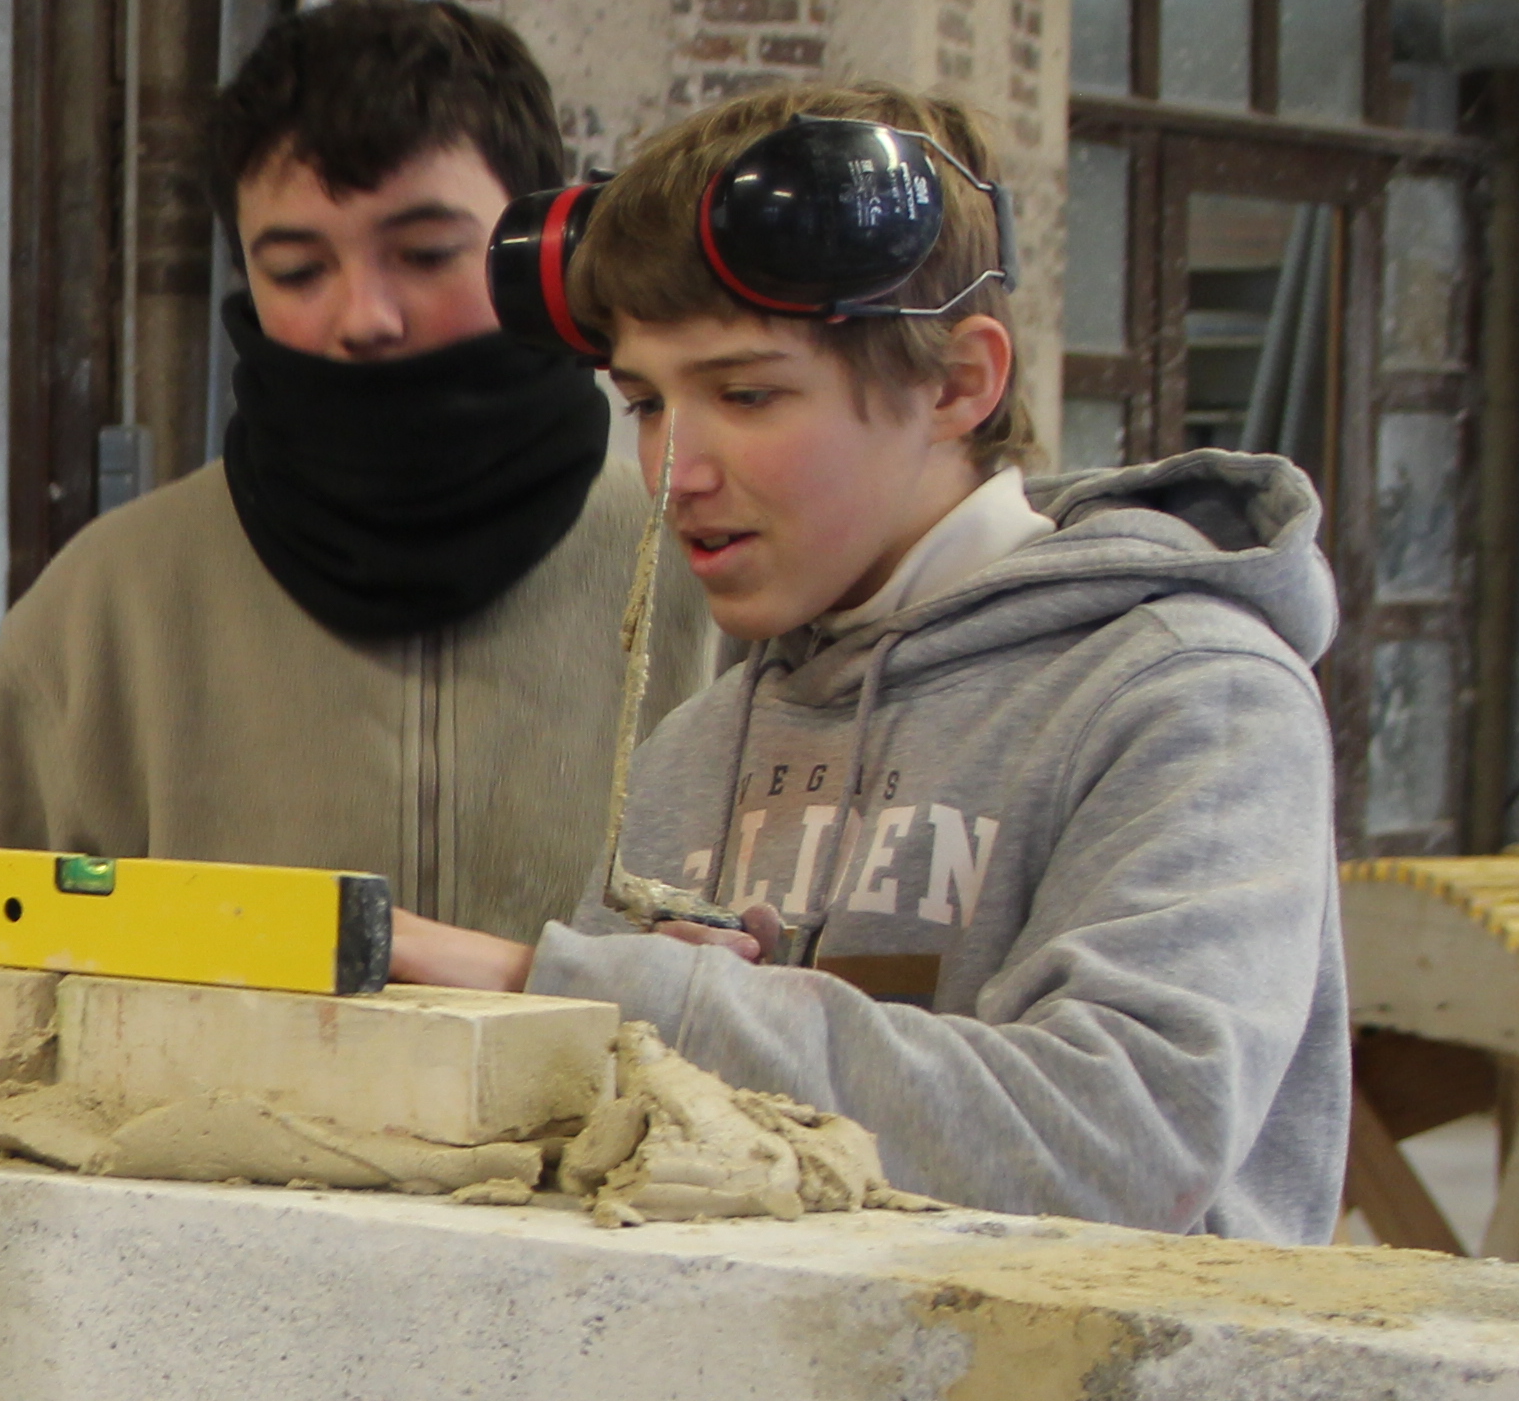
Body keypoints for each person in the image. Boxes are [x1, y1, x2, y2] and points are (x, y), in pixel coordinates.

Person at [388, 83, 1347, 1239]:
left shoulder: (1188, 698)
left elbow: (1120, 1149)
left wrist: (564, 992)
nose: (673, 471)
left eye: (745, 393)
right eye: (645, 402)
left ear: (957, 383)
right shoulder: (707, 742)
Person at [0, 0, 702, 935]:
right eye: (296, 269)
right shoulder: (105, 611)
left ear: (538, 252)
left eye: (425, 253)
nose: (365, 315)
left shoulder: (701, 583)